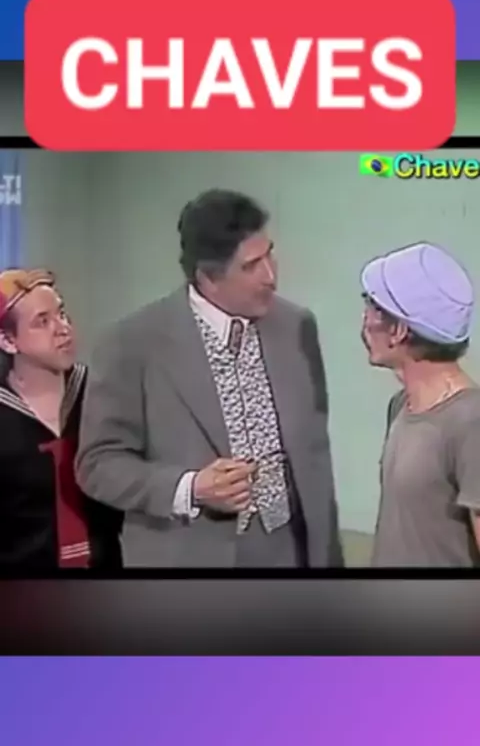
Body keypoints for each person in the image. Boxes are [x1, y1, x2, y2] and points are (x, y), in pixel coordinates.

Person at [76, 189, 343, 568]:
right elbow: (98, 465)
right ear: (207, 278)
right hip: (188, 558)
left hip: (290, 553)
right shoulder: (131, 343)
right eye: (251, 266)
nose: (271, 276)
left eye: (269, 254)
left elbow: (316, 456)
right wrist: (190, 488)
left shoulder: (296, 326)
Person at [360, 241, 480, 567]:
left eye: (372, 306)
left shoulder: (471, 424)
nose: (364, 319)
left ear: (398, 330)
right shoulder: (400, 405)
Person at [0, 268, 123, 572]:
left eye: (62, 314)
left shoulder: (102, 395)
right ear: (7, 341)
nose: (63, 328)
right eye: (42, 322)